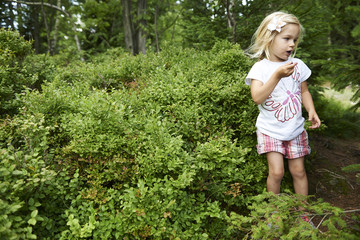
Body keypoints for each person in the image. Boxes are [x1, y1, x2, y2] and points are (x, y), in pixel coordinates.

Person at [245, 12, 321, 201]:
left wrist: (311, 110)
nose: (292, 44)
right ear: (269, 38)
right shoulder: (260, 68)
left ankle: (304, 214)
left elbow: (304, 91)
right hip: (270, 130)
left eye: (294, 39)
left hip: (295, 129)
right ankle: (274, 215)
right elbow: (257, 97)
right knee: (277, 172)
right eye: (286, 38)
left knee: (299, 171)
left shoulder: (297, 65)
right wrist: (277, 75)